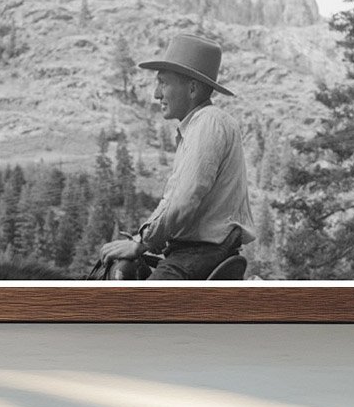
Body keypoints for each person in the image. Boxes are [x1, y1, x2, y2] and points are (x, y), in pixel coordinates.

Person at [99, 33, 255, 280]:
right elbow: (174, 201)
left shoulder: (208, 122)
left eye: (163, 83)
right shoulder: (198, 126)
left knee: (137, 313)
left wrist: (142, 243)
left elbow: (184, 201)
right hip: (195, 253)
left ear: (192, 88)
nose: (156, 94)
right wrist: (143, 239)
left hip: (199, 254)